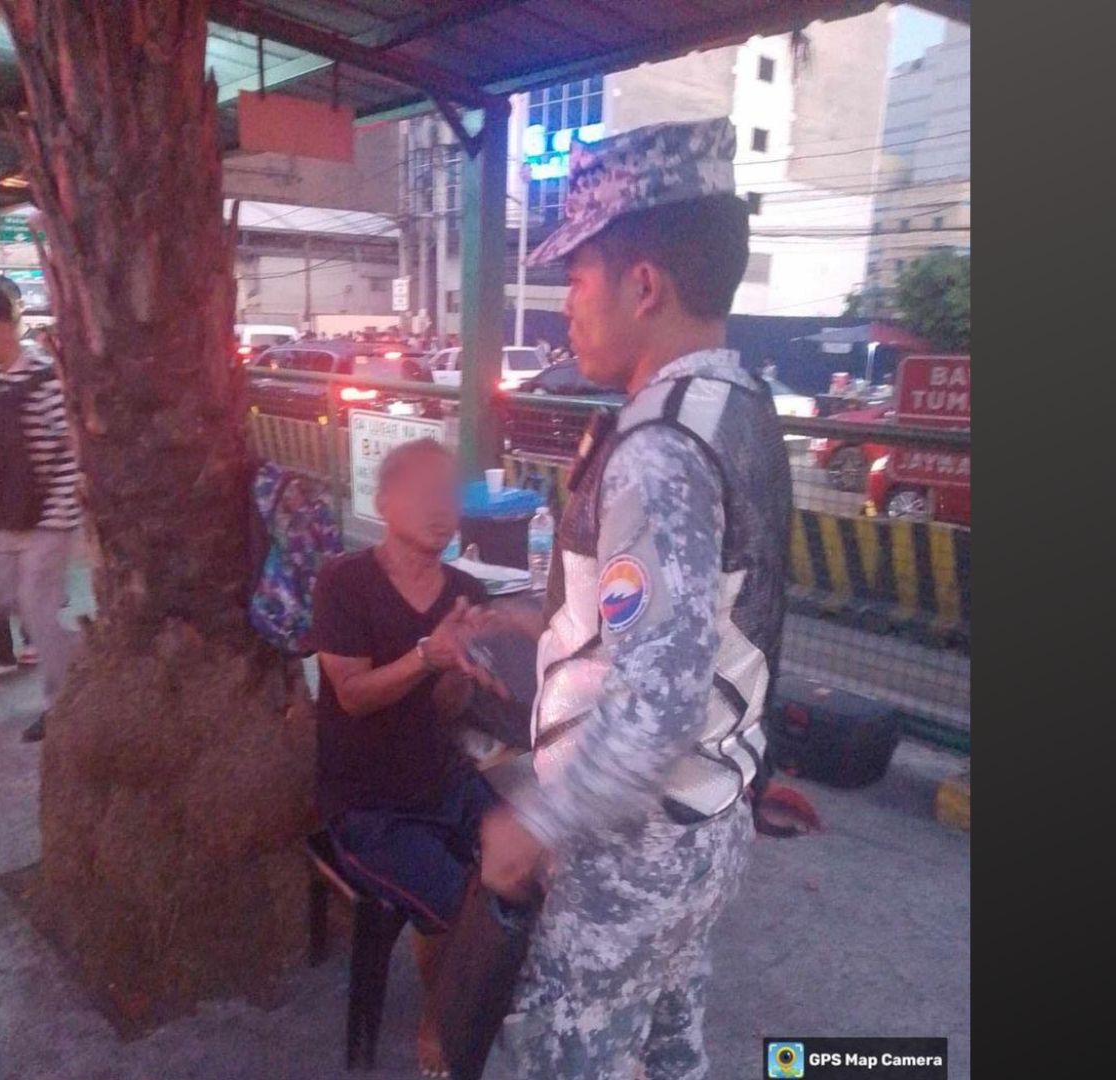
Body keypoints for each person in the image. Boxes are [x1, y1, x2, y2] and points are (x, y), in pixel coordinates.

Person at [472, 117, 793, 1080]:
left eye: (577, 277)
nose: (565, 302)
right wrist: (529, 616)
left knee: (560, 1057)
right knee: (664, 1047)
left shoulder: (658, 448)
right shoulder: (739, 407)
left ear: (642, 285)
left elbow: (657, 704)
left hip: (633, 846)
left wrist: (535, 818)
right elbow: (706, 620)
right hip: (707, 822)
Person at [309, 438, 508, 1077]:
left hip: (443, 782)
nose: (441, 508)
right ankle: (439, 1022)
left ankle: (503, 993)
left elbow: (446, 712)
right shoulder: (345, 582)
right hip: (366, 805)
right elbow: (353, 696)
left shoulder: (466, 589)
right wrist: (428, 654)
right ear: (384, 501)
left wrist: (462, 669)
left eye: (449, 495)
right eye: (423, 493)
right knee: (458, 909)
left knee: (528, 857)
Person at [0, 282, 82, 744]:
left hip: (46, 520)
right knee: (1, 598)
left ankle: (61, 703)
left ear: (1, 328)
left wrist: (57, 519)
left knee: (37, 614)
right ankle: (83, 655)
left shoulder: (43, 379)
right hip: (2, 519)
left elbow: (71, 454)